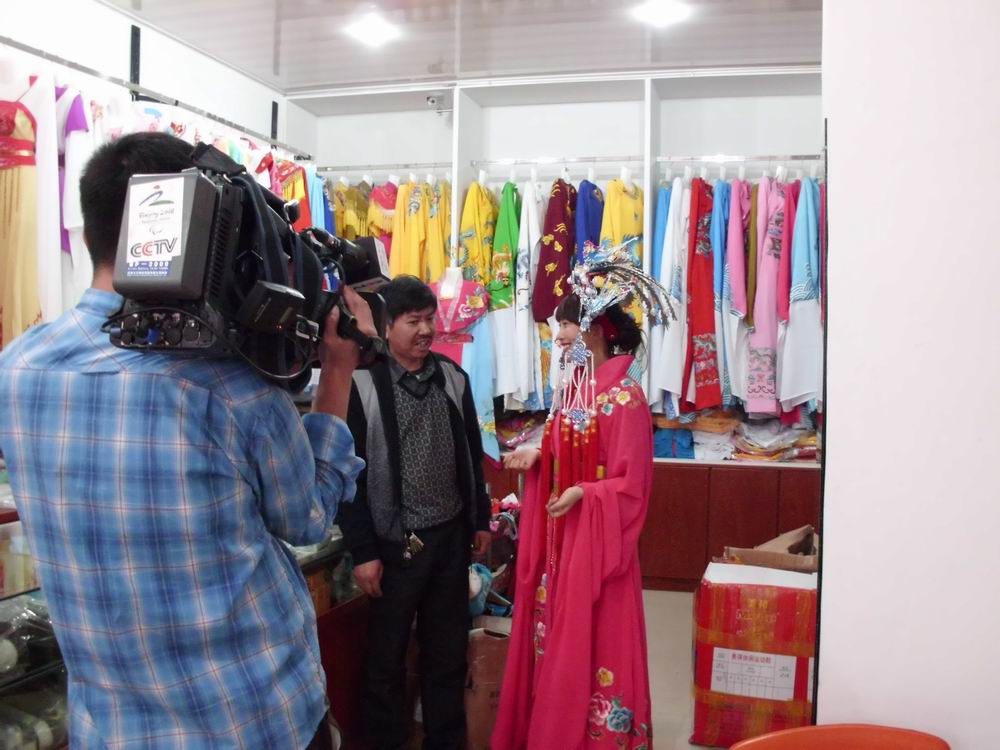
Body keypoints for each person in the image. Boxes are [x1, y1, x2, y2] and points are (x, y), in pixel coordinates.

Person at [0, 132, 373, 749]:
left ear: (91, 229)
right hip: (253, 720)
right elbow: (307, 518)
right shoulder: (232, 386)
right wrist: (337, 371)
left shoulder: (17, 367)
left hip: (113, 728)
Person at [493, 285, 659, 749]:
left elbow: (632, 485)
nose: (560, 334)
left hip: (596, 550)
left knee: (596, 643)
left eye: (567, 324)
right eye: (560, 324)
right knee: (553, 640)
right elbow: (562, 453)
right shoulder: (574, 391)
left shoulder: (625, 398)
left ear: (597, 330)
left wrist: (586, 492)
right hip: (561, 542)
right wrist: (538, 456)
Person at [337, 275, 492, 750]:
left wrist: (480, 520)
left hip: (449, 540)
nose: (426, 330)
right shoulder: (363, 385)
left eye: (429, 319)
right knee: (385, 660)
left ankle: (445, 742)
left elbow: (471, 452)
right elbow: (349, 476)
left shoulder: (452, 378)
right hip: (394, 546)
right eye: (413, 321)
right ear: (387, 327)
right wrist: (364, 551)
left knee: (446, 654)